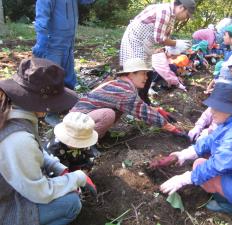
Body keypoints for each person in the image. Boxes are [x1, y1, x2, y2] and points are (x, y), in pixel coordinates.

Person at [0, 58, 97, 225]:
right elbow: (40, 192)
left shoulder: (11, 109)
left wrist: (59, 169)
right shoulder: (17, 139)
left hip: (8, 188)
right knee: (71, 204)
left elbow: (35, 151)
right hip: (5, 206)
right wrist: (77, 178)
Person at [160, 82, 232, 215]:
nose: (212, 111)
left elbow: (218, 165)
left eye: (216, 108)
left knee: (200, 167)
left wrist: (184, 178)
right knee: (201, 162)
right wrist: (184, 154)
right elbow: (211, 140)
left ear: (229, 109)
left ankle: (227, 204)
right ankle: (225, 193)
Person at [71, 58, 187, 139]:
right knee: (108, 114)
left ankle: (98, 135)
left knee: (116, 110)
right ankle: (86, 143)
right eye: (143, 74)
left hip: (80, 117)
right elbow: (143, 112)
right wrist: (172, 128)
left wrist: (159, 111)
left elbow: (139, 105)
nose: (146, 78)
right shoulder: (124, 91)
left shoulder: (122, 85)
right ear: (131, 74)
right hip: (74, 124)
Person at [120, 0, 195, 104]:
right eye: (187, 15)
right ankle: (126, 99)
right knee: (136, 71)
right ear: (182, 8)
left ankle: (143, 100)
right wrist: (176, 43)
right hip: (135, 41)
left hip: (146, 44)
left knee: (148, 73)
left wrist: (171, 48)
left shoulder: (171, 16)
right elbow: (159, 38)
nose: (186, 18)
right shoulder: (165, 11)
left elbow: (164, 38)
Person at [32, 0, 95, 90]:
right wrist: (41, 40)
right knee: (48, 85)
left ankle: (67, 100)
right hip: (52, 48)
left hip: (68, 47)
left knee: (68, 84)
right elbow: (42, 16)